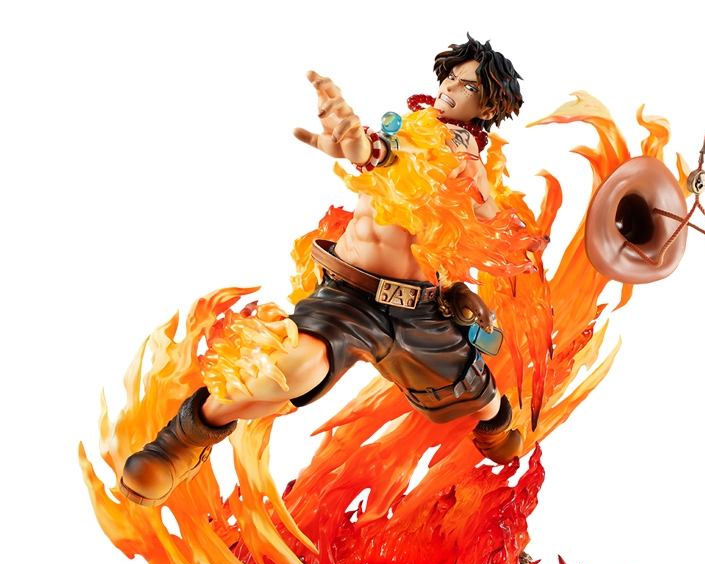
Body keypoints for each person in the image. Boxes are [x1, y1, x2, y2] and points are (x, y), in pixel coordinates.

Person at [120, 36, 540, 508]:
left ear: (487, 108)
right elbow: (384, 151)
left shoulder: (474, 157)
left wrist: (479, 189)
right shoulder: (415, 128)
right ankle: (179, 442)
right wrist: (357, 144)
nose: (450, 89)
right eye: (451, 78)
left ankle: (495, 424)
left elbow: (484, 219)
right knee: (289, 368)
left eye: (467, 87)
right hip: (351, 295)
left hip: (419, 308)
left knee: (475, 390)